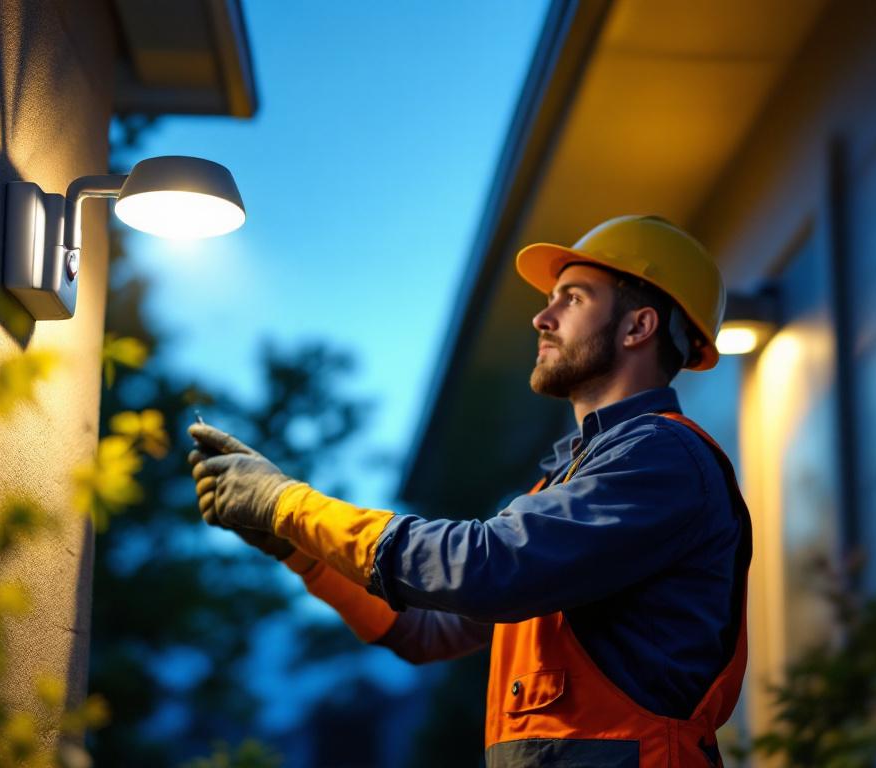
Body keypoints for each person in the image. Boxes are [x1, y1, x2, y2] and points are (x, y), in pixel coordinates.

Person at [188, 215, 752, 767]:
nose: (542, 318)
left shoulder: (659, 456)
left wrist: (288, 505)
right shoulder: (569, 483)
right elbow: (424, 632)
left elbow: (484, 568)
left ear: (638, 328)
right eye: (551, 300)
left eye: (573, 299)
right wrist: (297, 549)